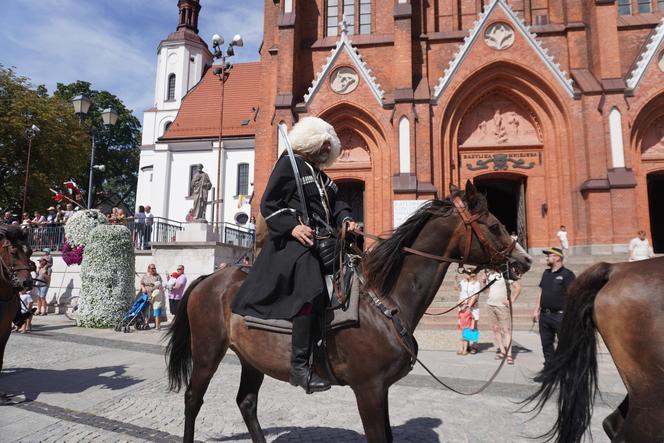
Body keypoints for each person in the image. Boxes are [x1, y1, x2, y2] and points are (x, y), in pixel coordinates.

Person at [232, 116, 360, 394]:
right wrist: (293, 227)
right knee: (310, 287)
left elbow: (338, 204)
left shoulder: (321, 177)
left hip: (322, 242)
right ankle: (300, 368)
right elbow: (270, 203)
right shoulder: (289, 164)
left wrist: (347, 218)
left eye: (330, 145)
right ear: (312, 142)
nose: (328, 150)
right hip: (292, 244)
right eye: (325, 144)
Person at [533, 247, 576, 364]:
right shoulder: (546, 273)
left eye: (549, 255)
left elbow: (573, 294)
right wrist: (536, 309)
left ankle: (565, 371)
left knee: (564, 345)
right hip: (544, 315)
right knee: (546, 345)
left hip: (560, 316)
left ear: (557, 258)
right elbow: (541, 292)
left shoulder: (567, 274)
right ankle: (549, 370)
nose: (547, 257)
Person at [485, 270, 521, 365]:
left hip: (501, 306)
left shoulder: (505, 273)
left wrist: (511, 300)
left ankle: (509, 355)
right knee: (495, 329)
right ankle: (502, 351)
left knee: (506, 330)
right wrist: (484, 282)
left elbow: (517, 288)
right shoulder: (489, 274)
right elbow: (486, 291)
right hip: (490, 305)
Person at [454, 272, 482, 354]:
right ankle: (467, 346)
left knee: (473, 326)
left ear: (473, 275)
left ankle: (475, 345)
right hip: (463, 307)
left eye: (468, 273)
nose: (466, 274)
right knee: (464, 326)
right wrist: (455, 280)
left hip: (472, 307)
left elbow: (475, 296)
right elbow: (456, 288)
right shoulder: (463, 282)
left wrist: (469, 306)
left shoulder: (476, 283)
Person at [140, 263, 162, 327]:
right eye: (152, 268)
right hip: (146, 293)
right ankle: (146, 322)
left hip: (154, 294)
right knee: (147, 308)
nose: (153, 269)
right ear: (148, 269)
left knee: (155, 308)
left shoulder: (157, 276)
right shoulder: (145, 276)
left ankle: (157, 324)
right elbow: (141, 283)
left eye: (154, 268)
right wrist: (143, 288)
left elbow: (160, 284)